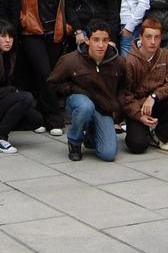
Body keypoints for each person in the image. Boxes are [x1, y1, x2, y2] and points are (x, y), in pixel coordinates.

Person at [14, 0, 70, 135]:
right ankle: (55, 119)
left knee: (46, 76)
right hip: (32, 32)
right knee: (45, 73)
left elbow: (66, 5)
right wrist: (22, 20)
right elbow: (14, 2)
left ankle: (40, 117)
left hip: (55, 33)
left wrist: (67, 27)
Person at [47, 20, 124, 162]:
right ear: (87, 40)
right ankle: (74, 141)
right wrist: (73, 89)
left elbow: (124, 89)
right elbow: (53, 84)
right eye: (96, 40)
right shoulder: (70, 60)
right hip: (79, 102)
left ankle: (90, 135)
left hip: (103, 107)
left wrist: (117, 113)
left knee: (108, 154)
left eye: (105, 40)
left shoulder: (118, 62)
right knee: (85, 106)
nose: (101, 45)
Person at [0, 20, 44, 153]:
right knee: (26, 97)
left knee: (36, 119)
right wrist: (11, 90)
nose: (8, 40)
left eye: (11, 37)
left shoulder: (8, 56)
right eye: (3, 36)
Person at [120, 17, 168, 153]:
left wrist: (154, 96)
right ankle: (141, 130)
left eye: (157, 37)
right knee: (137, 146)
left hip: (158, 102)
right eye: (148, 37)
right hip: (137, 107)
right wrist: (139, 115)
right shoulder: (130, 61)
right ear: (140, 37)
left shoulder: (166, 55)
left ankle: (160, 135)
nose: (153, 42)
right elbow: (126, 95)